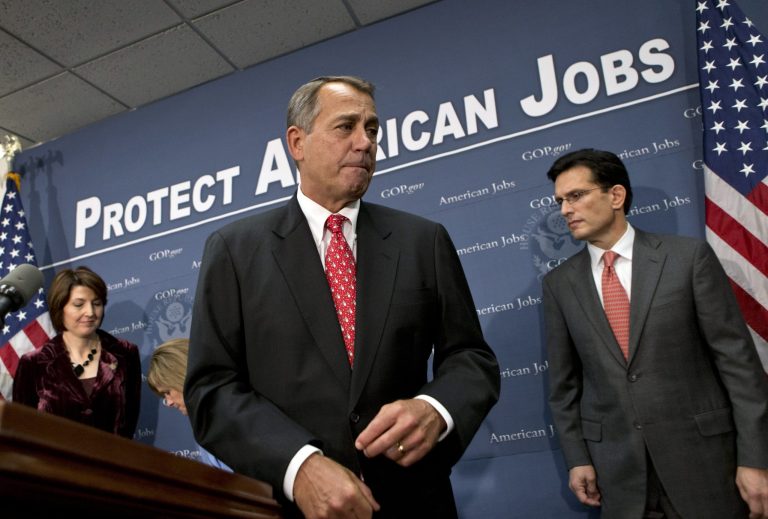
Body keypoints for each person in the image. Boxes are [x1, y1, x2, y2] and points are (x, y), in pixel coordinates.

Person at [184, 75, 500, 518]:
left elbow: (470, 357)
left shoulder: (421, 240)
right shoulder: (235, 251)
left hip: (416, 500)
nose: (364, 143)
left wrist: (436, 407)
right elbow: (212, 389)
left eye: (372, 129)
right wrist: (299, 465)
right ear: (297, 142)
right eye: (345, 126)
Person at [542, 148, 768, 518]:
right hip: (618, 478)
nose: (565, 210)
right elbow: (564, 386)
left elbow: (738, 366)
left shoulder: (688, 259)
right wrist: (577, 458)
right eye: (561, 201)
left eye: (577, 196)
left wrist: (757, 459)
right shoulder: (558, 284)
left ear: (616, 195)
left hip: (706, 467)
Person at [13, 266, 141, 438]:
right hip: (52, 464)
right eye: (79, 304)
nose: (90, 312)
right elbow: (23, 430)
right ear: (60, 307)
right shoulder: (33, 363)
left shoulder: (125, 353)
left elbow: (129, 425)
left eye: (96, 303)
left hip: (111, 462)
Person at [147, 338, 231, 471]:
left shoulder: (233, 414)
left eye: (167, 392)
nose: (168, 402)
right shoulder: (202, 425)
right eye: (164, 396)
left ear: (181, 376)